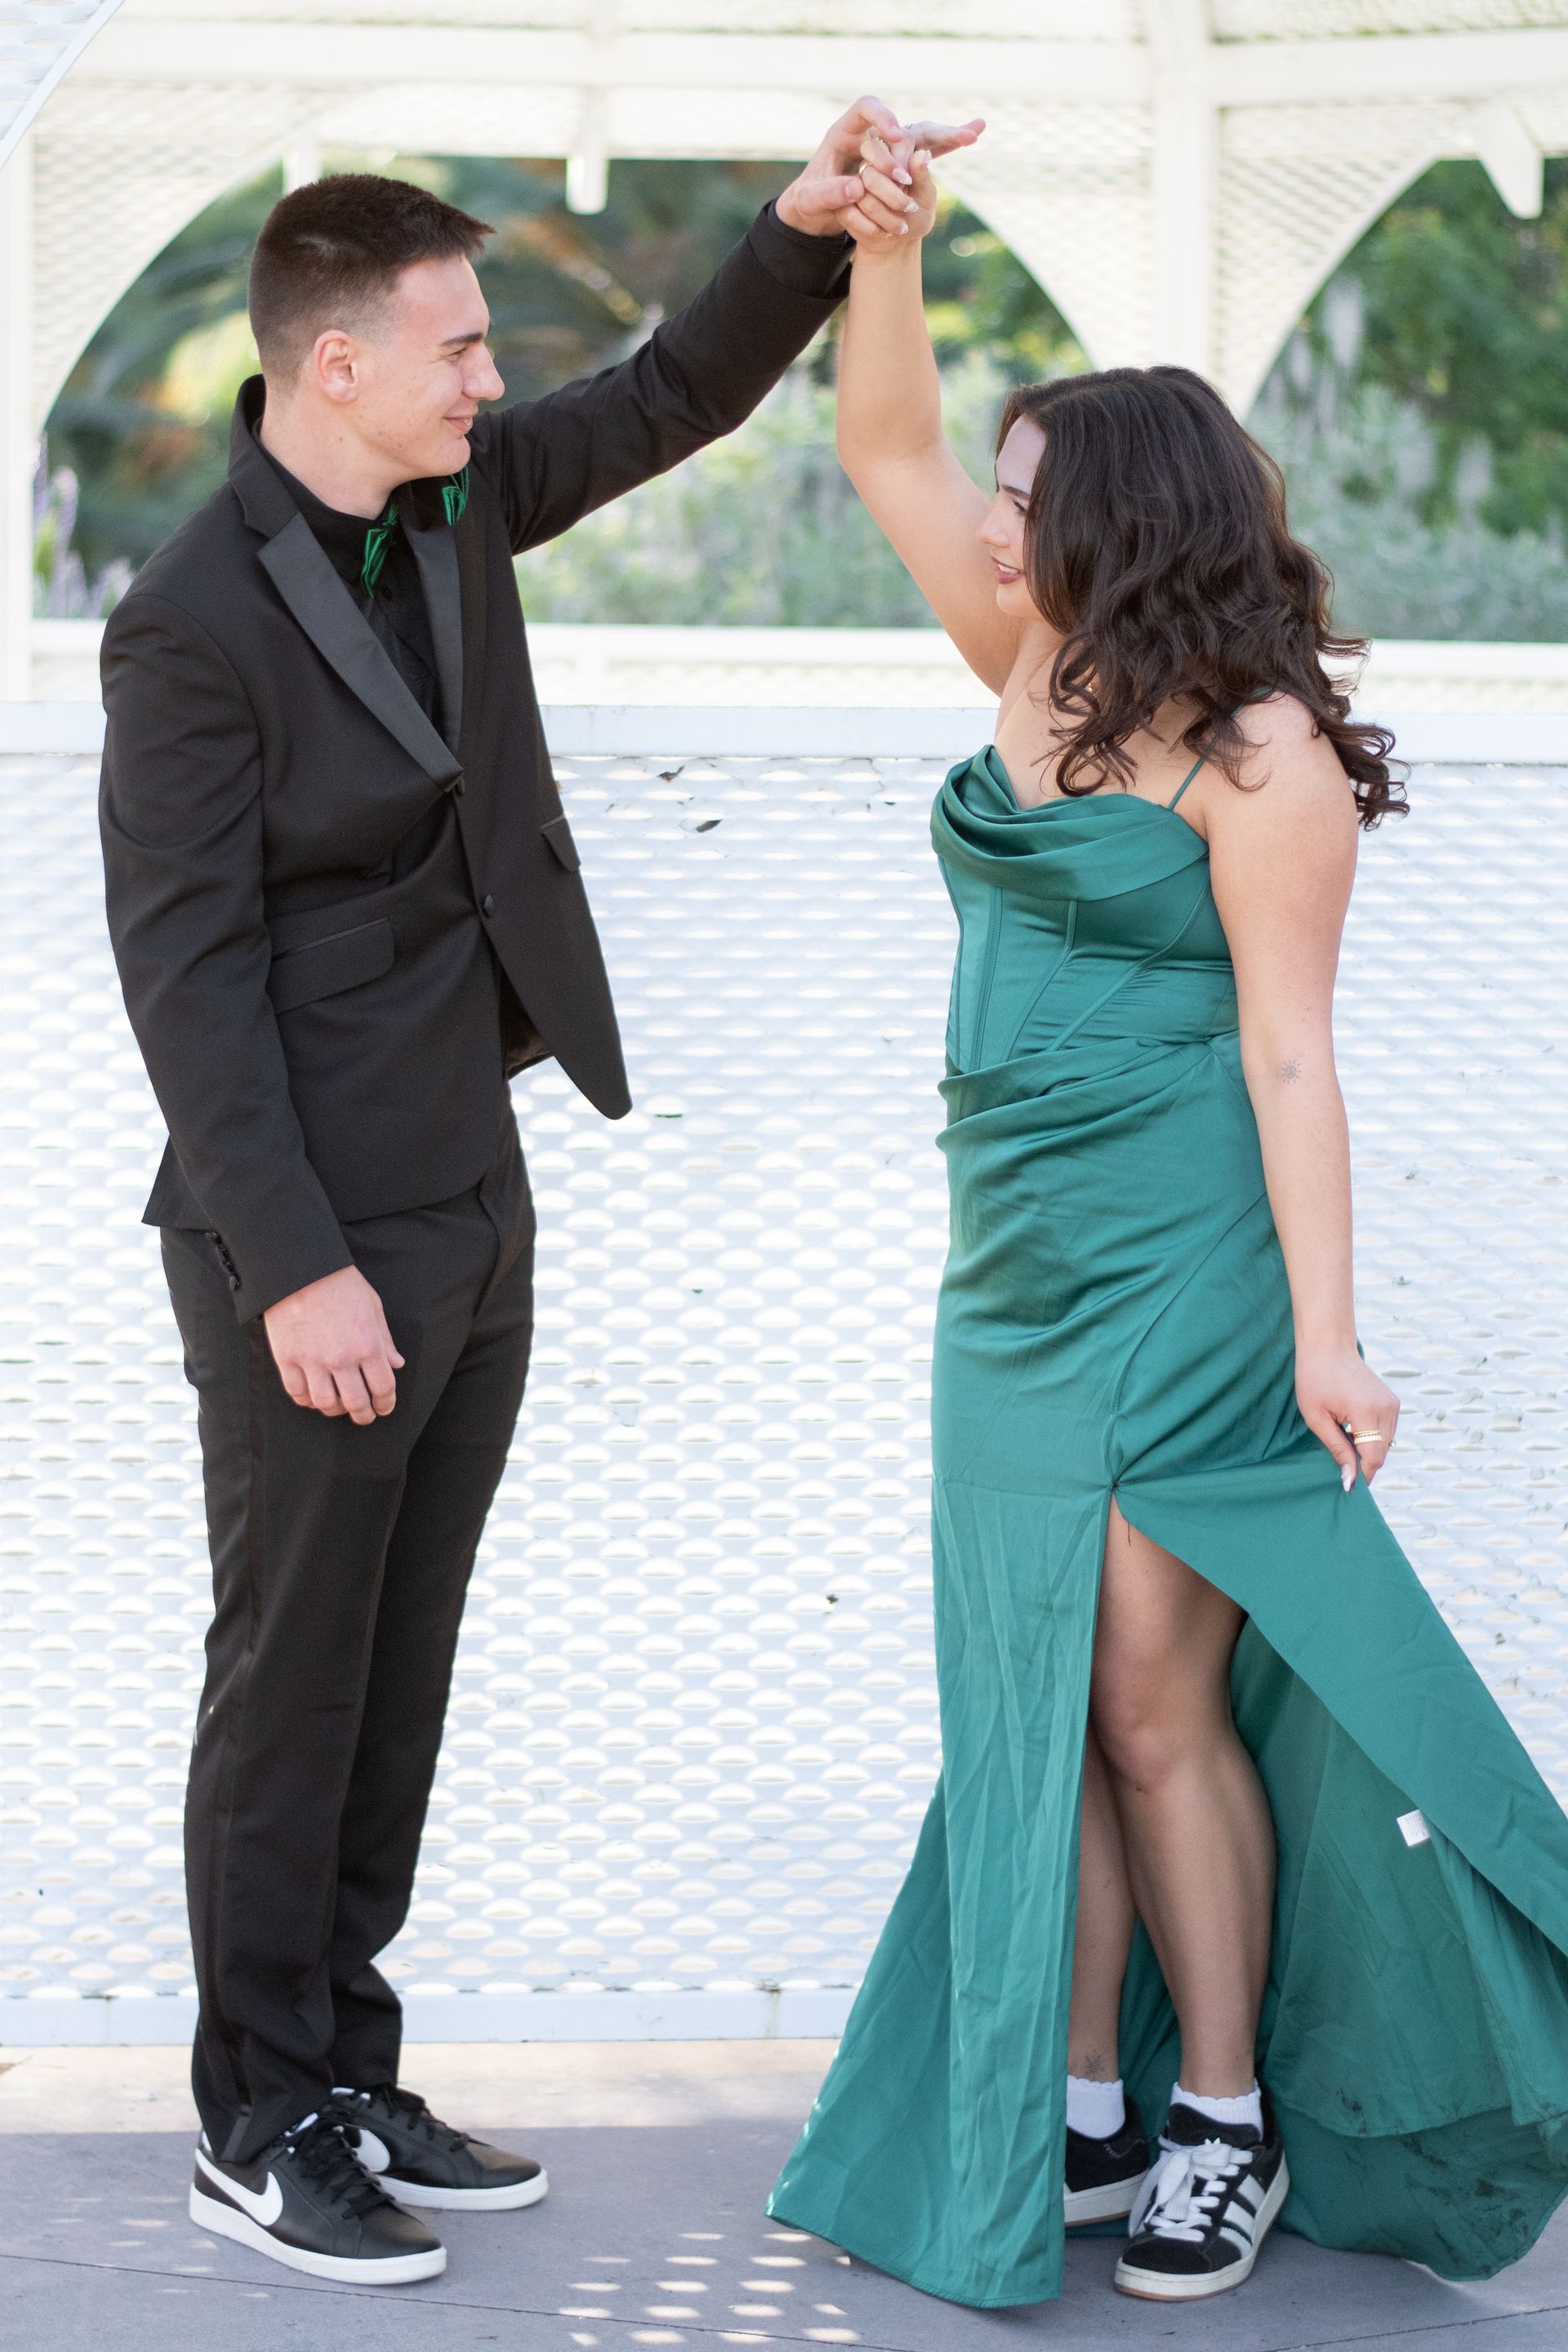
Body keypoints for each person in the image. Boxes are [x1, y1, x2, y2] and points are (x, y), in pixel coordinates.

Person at [96, 104, 959, 2288]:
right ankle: (256, 2110)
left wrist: (802, 222)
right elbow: (185, 981)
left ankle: (351, 2062)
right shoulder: (186, 625)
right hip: (305, 1236)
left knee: (400, 1662)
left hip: (472, 1186)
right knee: (293, 1671)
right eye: (460, 345)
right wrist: (294, 1266)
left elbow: (667, 395)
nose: (491, 378)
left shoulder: (456, 500)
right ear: (333, 367)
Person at [768, 128, 1568, 2309]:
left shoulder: (1261, 755)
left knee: (1148, 1699)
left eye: (1033, 492)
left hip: (1179, 1267)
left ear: (1126, 520)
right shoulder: (1034, 666)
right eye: (1006, 489)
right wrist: (888, 251)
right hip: (1005, 1273)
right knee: (1035, 1686)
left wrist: (1330, 1334)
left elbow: (1294, 1059)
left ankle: (1223, 2105)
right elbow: (886, 437)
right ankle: (1091, 2103)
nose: (995, 515)